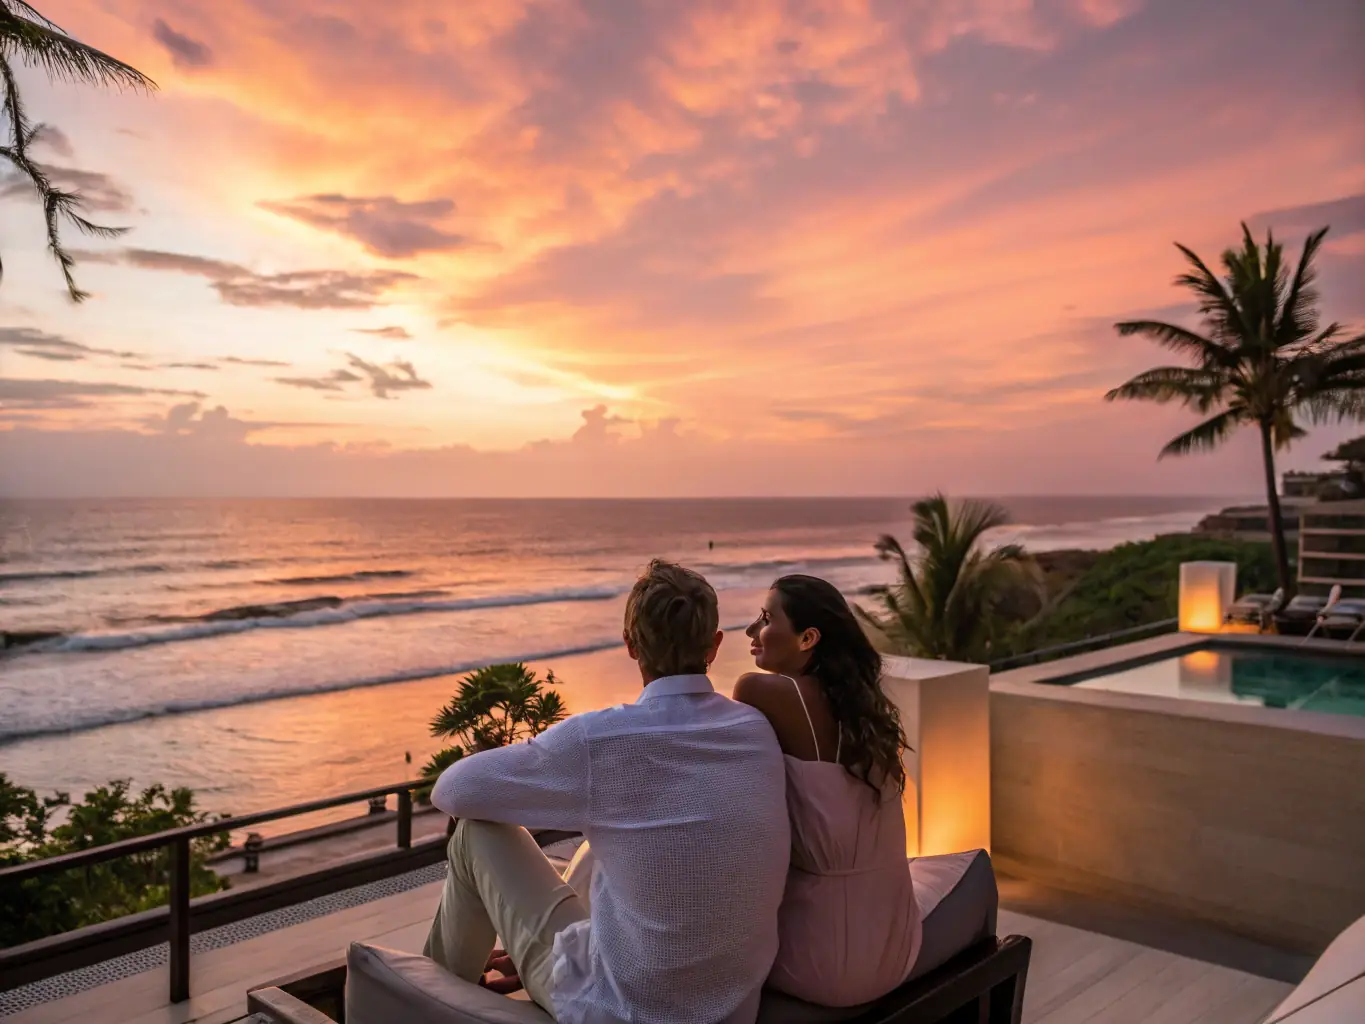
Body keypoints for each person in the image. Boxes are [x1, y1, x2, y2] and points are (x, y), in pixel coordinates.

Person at [425, 559, 791, 1024]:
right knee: (616, 841)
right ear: (715, 646)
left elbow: (453, 789)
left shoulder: (601, 741)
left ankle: (425, 999)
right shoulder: (755, 731)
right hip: (730, 1007)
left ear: (630, 645)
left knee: (473, 835)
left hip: (620, 1009)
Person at [734, 574, 997, 1008]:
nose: (750, 631)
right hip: (888, 948)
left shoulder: (759, 690)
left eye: (765, 618)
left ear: (808, 638)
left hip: (807, 956)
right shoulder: (863, 711)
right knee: (975, 872)